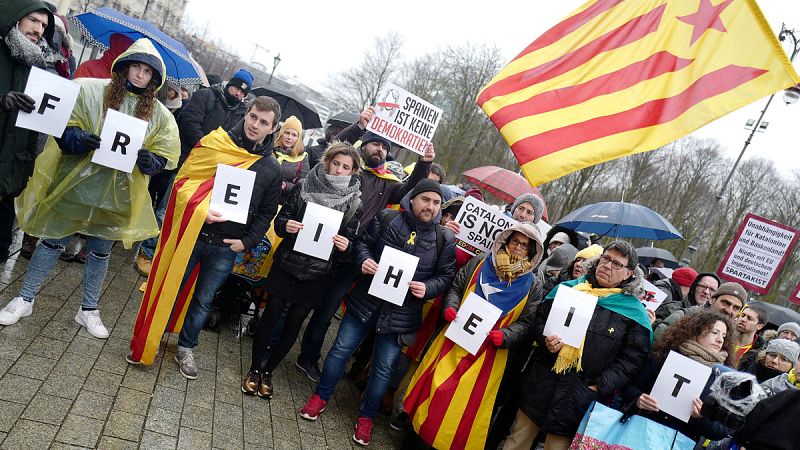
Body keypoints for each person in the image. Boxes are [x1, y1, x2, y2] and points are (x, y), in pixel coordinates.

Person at [1, 38, 180, 337]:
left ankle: (88, 309)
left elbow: (166, 151)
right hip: (76, 182)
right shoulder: (91, 90)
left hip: (117, 192)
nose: (140, 75)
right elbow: (63, 121)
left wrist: (152, 162)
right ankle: (25, 298)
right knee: (53, 241)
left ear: (154, 79)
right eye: (135, 66)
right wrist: (73, 138)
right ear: (124, 67)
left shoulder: (160, 114)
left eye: (147, 72)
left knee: (100, 250)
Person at [127, 96, 282, 371]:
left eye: (264, 122)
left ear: (273, 128)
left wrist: (246, 242)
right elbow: (183, 182)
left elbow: (267, 212)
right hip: (194, 234)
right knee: (170, 287)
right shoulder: (216, 143)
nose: (256, 125)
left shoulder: (271, 168)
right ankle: (152, 338)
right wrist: (200, 209)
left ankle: (186, 348)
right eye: (254, 117)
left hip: (226, 247)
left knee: (203, 301)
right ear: (246, 114)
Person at [298, 179, 456, 446]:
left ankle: (367, 417)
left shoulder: (445, 238)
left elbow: (446, 275)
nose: (431, 206)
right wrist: (365, 260)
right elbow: (362, 244)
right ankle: (321, 395)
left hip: (402, 313)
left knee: (383, 369)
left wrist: (427, 287)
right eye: (426, 200)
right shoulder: (388, 217)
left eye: (436, 203)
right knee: (340, 350)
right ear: (413, 199)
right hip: (366, 300)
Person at [294, 106, 437, 383]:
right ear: (364, 144)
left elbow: (411, 188)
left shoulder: (389, 183)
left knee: (326, 311)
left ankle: (308, 356)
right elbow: (332, 148)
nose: (380, 149)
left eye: (385, 146)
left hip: (352, 256)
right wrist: (358, 126)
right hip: (323, 241)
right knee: (302, 299)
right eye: (375, 142)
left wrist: (424, 163)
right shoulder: (347, 169)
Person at [403, 224, 543, 449]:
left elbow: (526, 323)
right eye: (515, 241)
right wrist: (451, 307)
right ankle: (413, 440)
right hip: (454, 341)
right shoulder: (481, 261)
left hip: (487, 356)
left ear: (532, 252)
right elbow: (456, 288)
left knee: (460, 406)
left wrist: (505, 336)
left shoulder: (533, 285)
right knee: (433, 391)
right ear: (506, 241)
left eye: (524, 245)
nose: (518, 247)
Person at [503, 241, 652, 450]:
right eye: (606, 259)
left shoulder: (634, 314)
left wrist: (600, 385)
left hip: (580, 397)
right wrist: (545, 340)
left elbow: (632, 359)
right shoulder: (568, 289)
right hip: (542, 381)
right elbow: (539, 320)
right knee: (516, 441)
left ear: (629, 274)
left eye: (617, 264)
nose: (608, 266)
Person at [243, 143, 362, 398]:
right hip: (287, 264)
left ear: (353, 171)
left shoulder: (354, 203)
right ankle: (254, 369)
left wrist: (345, 246)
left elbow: (351, 247)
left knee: (294, 324)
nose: (339, 170)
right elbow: (279, 223)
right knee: (271, 316)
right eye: (336, 164)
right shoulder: (304, 186)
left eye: (346, 167)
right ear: (328, 162)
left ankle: (268, 372)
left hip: (317, 276)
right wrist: (288, 226)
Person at [134, 68, 255, 276]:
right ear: (230, 84)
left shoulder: (241, 114)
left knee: (192, 216)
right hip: (187, 164)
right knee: (167, 209)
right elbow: (189, 123)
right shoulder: (206, 96)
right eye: (236, 88)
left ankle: (168, 255)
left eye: (243, 93)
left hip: (214, 175)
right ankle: (147, 251)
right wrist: (208, 152)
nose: (238, 94)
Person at [621, 310, 735, 442]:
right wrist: (638, 400)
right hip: (639, 433)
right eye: (714, 332)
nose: (720, 339)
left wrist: (701, 418)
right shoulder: (664, 356)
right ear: (696, 330)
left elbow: (721, 431)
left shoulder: (723, 377)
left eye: (724, 336)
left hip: (679, 442)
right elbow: (629, 387)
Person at [0, 1, 56, 262]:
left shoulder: (40, 65)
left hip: (11, 170)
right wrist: (2, 100)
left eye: (44, 25)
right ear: (17, 17)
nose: (39, 29)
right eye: (34, 20)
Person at [654, 281, 745, 339]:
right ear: (711, 299)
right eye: (725, 303)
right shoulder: (683, 317)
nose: (729, 310)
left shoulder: (732, 336)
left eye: (736, 308)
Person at [272, 115, 309, 204]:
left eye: (294, 135)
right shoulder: (269, 148)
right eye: (287, 132)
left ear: (298, 138)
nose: (289, 137)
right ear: (281, 133)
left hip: (280, 202)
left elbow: (303, 187)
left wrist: (285, 186)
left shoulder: (302, 158)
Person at [734, 304, 768, 368]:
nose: (743, 319)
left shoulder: (759, 355)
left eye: (749, 318)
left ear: (759, 326)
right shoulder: (722, 338)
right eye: (742, 315)